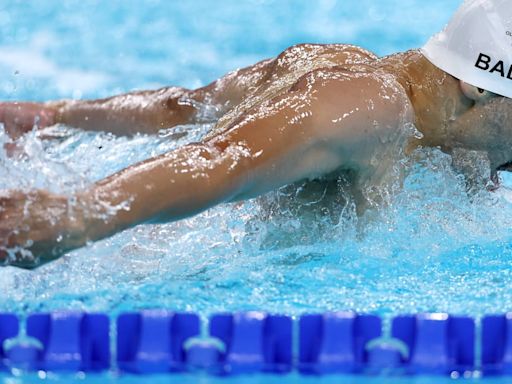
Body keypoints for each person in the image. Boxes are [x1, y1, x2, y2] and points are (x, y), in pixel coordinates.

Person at [0, 0, 511, 268]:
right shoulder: (367, 107)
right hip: (153, 270)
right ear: (478, 86)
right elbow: (223, 160)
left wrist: (56, 113)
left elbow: (179, 107)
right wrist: (75, 217)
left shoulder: (339, 65)